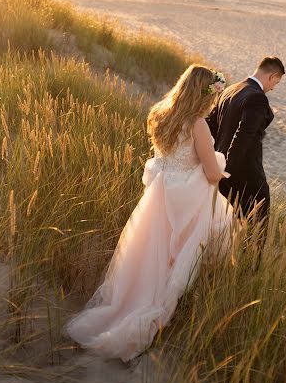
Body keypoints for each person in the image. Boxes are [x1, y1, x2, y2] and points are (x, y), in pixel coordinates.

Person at [65, 64, 234, 362]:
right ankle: (160, 312)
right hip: (186, 200)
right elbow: (209, 173)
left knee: (148, 256)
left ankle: (129, 302)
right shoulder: (197, 125)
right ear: (204, 95)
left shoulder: (160, 113)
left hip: (158, 196)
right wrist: (220, 164)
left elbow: (163, 158)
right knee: (180, 253)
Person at [206, 56, 285, 251]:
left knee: (226, 225)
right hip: (245, 176)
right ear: (272, 75)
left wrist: (217, 166)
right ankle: (249, 267)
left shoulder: (229, 90)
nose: (274, 87)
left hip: (221, 169)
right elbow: (243, 136)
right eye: (276, 82)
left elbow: (211, 128)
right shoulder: (257, 98)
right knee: (257, 226)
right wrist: (229, 172)